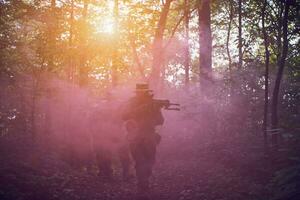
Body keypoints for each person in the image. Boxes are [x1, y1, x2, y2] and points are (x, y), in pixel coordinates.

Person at [122, 83, 164, 195]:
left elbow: (160, 120)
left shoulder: (152, 104)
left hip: (139, 137)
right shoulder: (136, 104)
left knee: (142, 161)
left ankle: (143, 182)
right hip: (142, 136)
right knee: (146, 161)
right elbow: (160, 121)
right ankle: (143, 183)